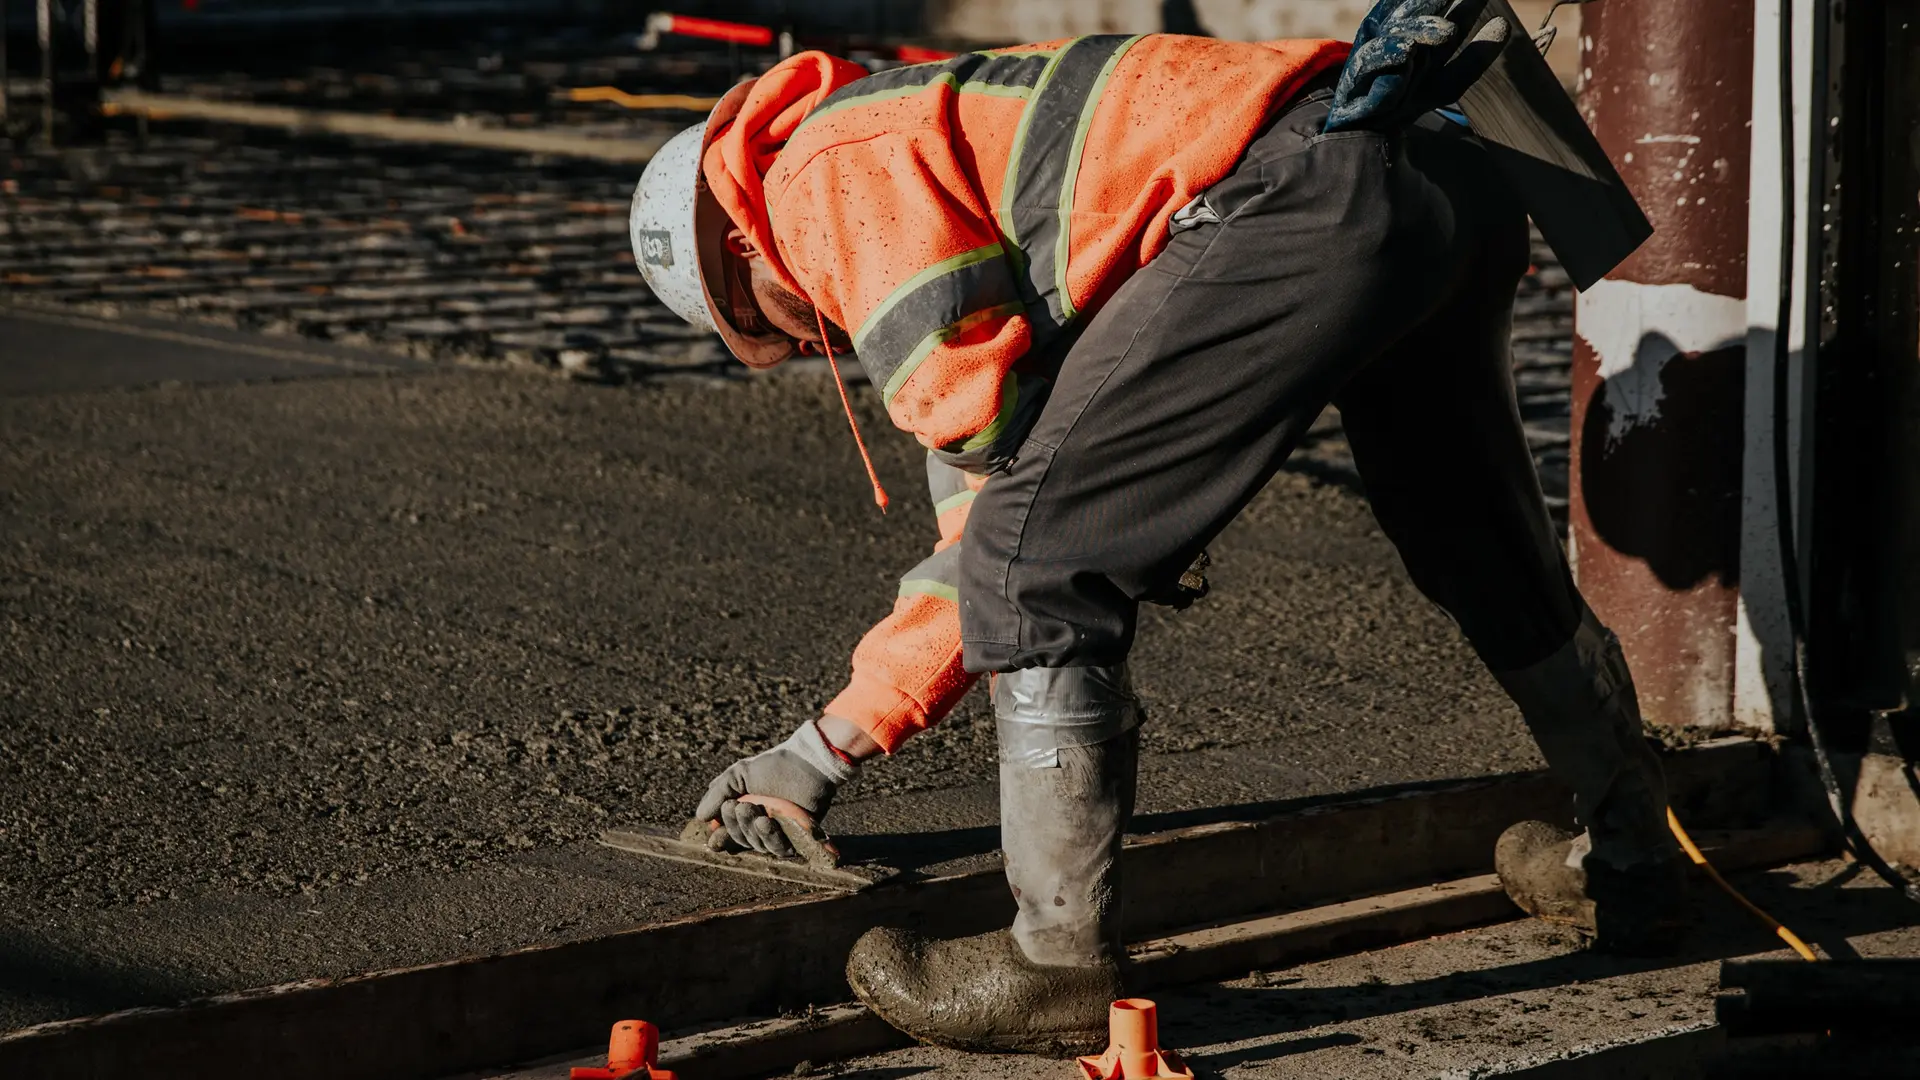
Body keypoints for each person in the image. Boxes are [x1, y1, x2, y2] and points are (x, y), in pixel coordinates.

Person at [626, 0, 1685, 1055]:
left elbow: (1007, 525)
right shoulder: (917, 147)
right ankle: (1635, 859)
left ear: (738, 243)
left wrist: (820, 749)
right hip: (1436, 170)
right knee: (1479, 546)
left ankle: (1055, 964)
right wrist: (822, 754)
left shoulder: (819, 178)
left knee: (1037, 567)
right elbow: (994, 488)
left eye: (770, 320)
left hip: (1300, 195)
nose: (811, 340)